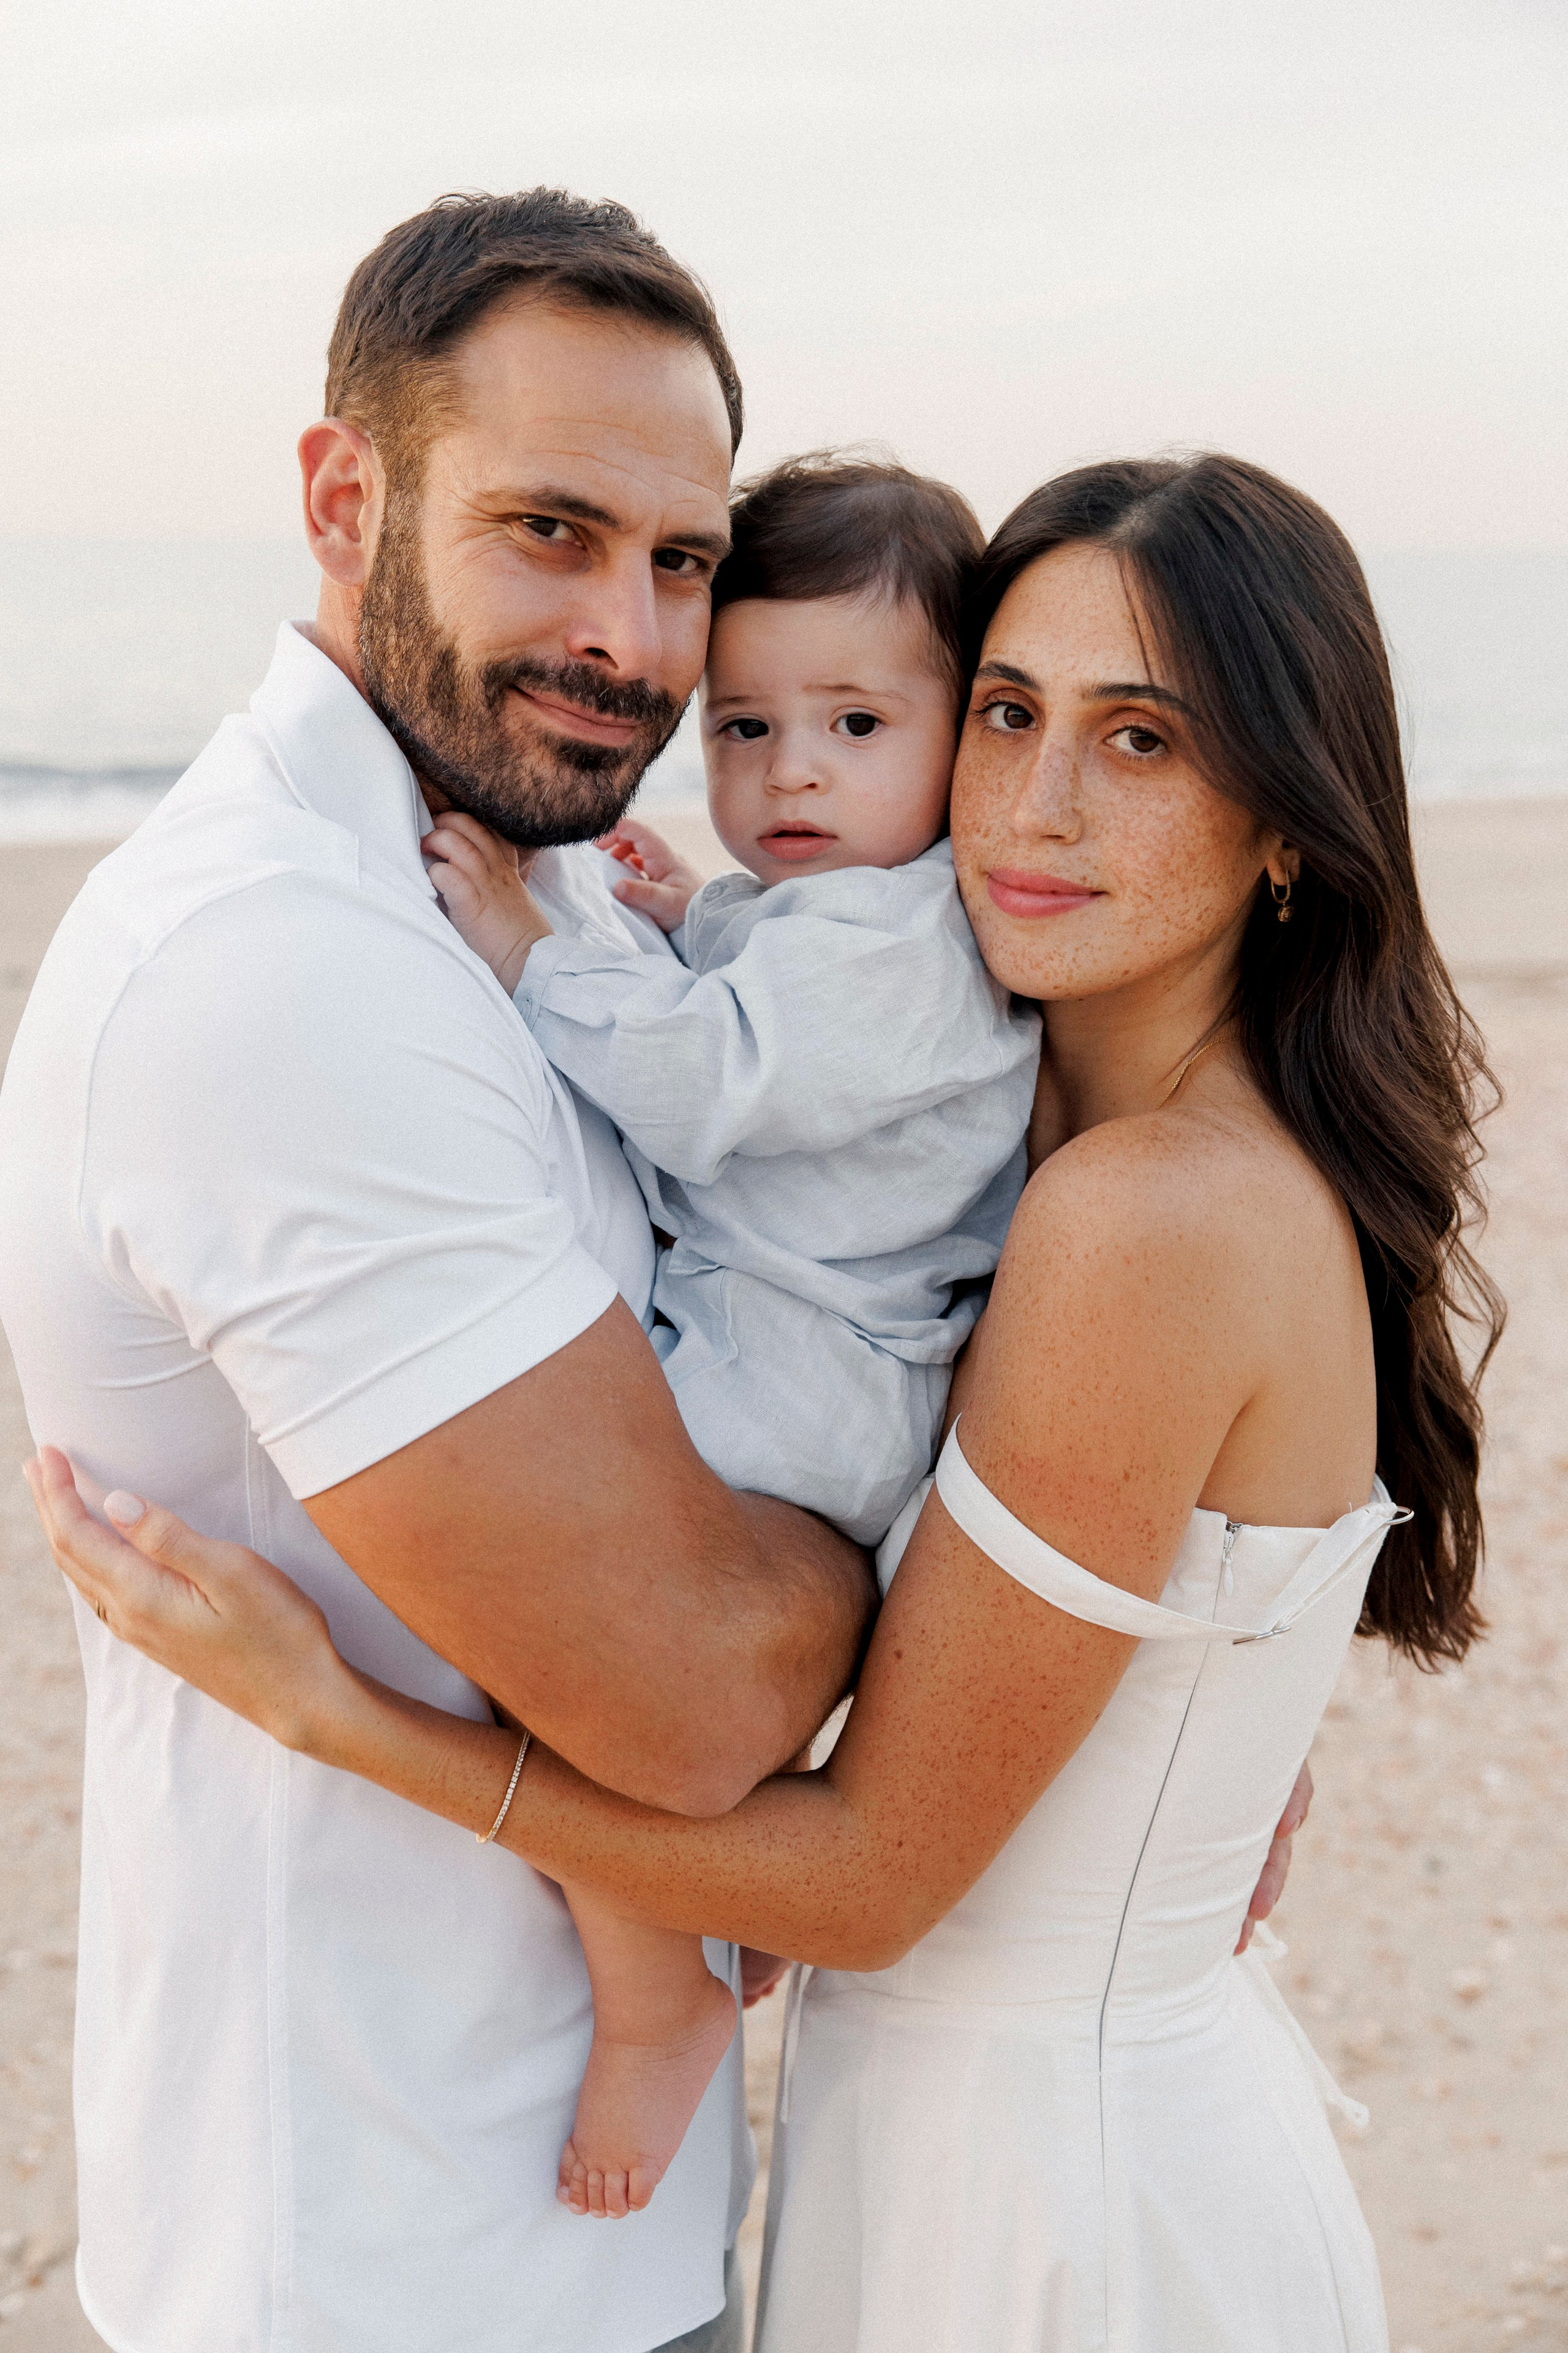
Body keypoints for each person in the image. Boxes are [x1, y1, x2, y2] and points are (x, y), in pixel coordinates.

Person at [22, 451, 1501, 2349]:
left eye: (1145, 741)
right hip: (966, 2138)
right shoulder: (1039, 1150)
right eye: (1007, 713)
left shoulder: (1149, 1213)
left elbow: (871, 1879)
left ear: (1289, 824)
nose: (1037, 805)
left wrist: (342, 1713)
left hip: (1064, 2206)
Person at [0, 189, 880, 2353]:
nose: (638, 643)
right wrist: (932, 1538)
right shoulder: (279, 968)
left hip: (594, 2214)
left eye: (682, 563)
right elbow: (691, 1692)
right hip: (377, 2246)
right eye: (552, 531)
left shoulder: (535, 874)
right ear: (342, 494)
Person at [422, 455, 1039, 2219]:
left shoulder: (901, 946)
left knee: (568, 1636)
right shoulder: (869, 911)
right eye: (749, 728)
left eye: (856, 723)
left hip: (801, 1376)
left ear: (964, 735)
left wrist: (537, 943)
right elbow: (782, 1005)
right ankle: (703, 1907)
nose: (796, 773)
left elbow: (706, 1084)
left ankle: (655, 2001)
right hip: (801, 1355)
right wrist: (693, 910)